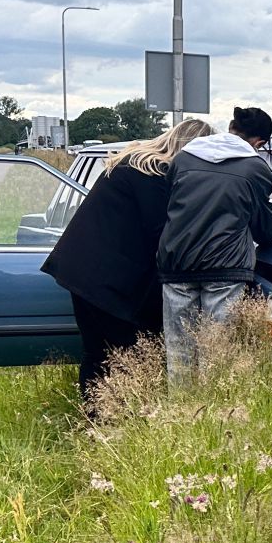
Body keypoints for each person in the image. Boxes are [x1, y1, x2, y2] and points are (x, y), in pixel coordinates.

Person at [41, 117, 213, 411]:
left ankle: (97, 418)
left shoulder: (132, 163)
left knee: (96, 351)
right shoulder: (154, 174)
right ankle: (112, 418)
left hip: (81, 268)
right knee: (123, 351)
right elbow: (160, 233)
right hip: (104, 277)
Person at [155, 106, 272, 382]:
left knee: (180, 353)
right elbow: (264, 228)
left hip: (177, 264)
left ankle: (180, 416)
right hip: (225, 269)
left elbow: (170, 206)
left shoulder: (185, 157)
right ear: (260, 142)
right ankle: (215, 417)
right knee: (218, 353)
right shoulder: (255, 167)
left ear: (233, 127)